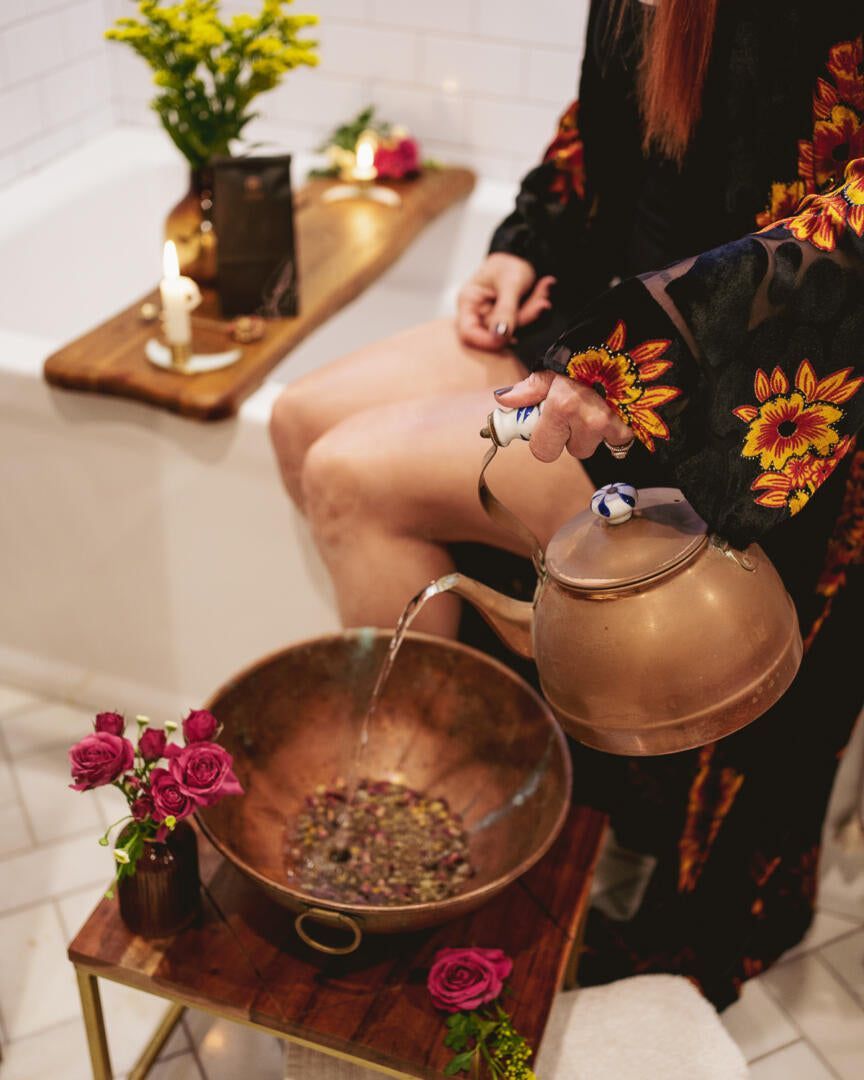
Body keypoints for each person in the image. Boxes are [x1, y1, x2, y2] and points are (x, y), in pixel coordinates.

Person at [270, 0, 864, 1008]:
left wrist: (639, 355)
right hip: (598, 310)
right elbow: (610, 119)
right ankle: (496, 767)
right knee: (301, 417)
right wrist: (523, 240)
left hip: (733, 381)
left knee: (350, 473)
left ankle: (435, 826)